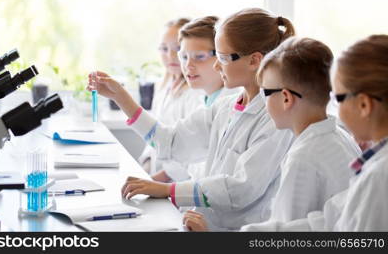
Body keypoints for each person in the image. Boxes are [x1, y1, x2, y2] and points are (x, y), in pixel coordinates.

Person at [88, 8, 296, 230]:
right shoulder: (225, 108)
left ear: (254, 60)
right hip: (204, 224)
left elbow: (242, 188)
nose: (217, 65)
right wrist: (120, 96)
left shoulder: (275, 120)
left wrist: (170, 190)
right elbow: (171, 142)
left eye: (223, 57)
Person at [184, 37, 361, 231]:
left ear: (286, 98)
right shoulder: (340, 138)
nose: (262, 100)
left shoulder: (303, 157)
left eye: (265, 92)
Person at [236, 34, 388, 231]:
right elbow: (333, 219)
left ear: (364, 104)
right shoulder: (343, 140)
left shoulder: (377, 177)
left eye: (337, 98)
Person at [152, 16, 240, 183]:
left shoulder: (230, 104)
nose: (188, 66)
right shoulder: (204, 99)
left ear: (221, 57)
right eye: (184, 57)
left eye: (199, 56)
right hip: (191, 197)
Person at [138, 18, 203, 174]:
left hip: (177, 182)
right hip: (156, 174)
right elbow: (153, 137)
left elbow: (192, 150)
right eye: (164, 48)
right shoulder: (162, 86)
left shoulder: (196, 93)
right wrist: (145, 168)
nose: (171, 55)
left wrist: (156, 181)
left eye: (178, 48)